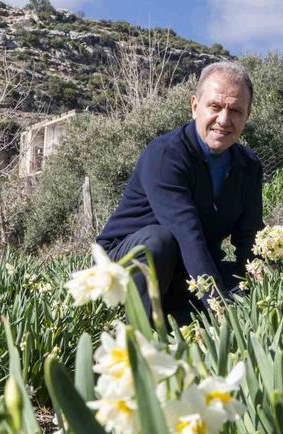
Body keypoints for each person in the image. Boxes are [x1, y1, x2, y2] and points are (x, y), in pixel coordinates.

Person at [96, 61, 263, 322]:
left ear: (247, 116)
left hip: (186, 269)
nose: (224, 120)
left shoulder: (248, 165)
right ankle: (137, 330)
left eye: (235, 111)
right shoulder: (166, 155)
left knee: (249, 286)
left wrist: (262, 284)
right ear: (195, 106)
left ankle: (178, 321)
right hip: (126, 265)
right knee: (158, 241)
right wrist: (220, 309)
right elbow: (187, 235)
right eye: (215, 107)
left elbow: (249, 237)